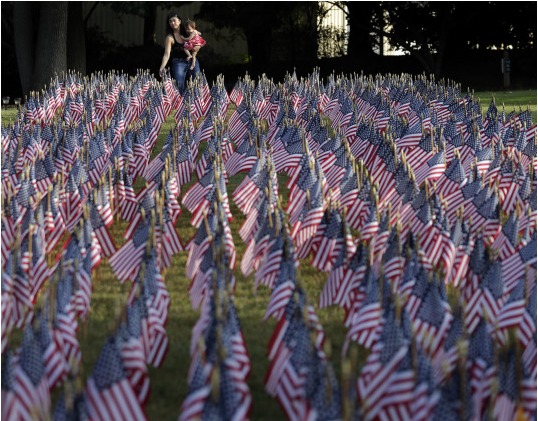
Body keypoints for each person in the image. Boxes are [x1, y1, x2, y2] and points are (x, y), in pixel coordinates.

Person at [158, 12, 201, 93]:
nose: (172, 23)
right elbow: (166, 55)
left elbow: (198, 40)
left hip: (192, 60)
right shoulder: (170, 37)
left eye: (174, 20)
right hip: (178, 62)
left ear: (180, 21)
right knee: (179, 85)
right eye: (170, 21)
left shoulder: (188, 31)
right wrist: (162, 67)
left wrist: (197, 48)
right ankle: (180, 104)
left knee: (198, 83)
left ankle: (197, 103)